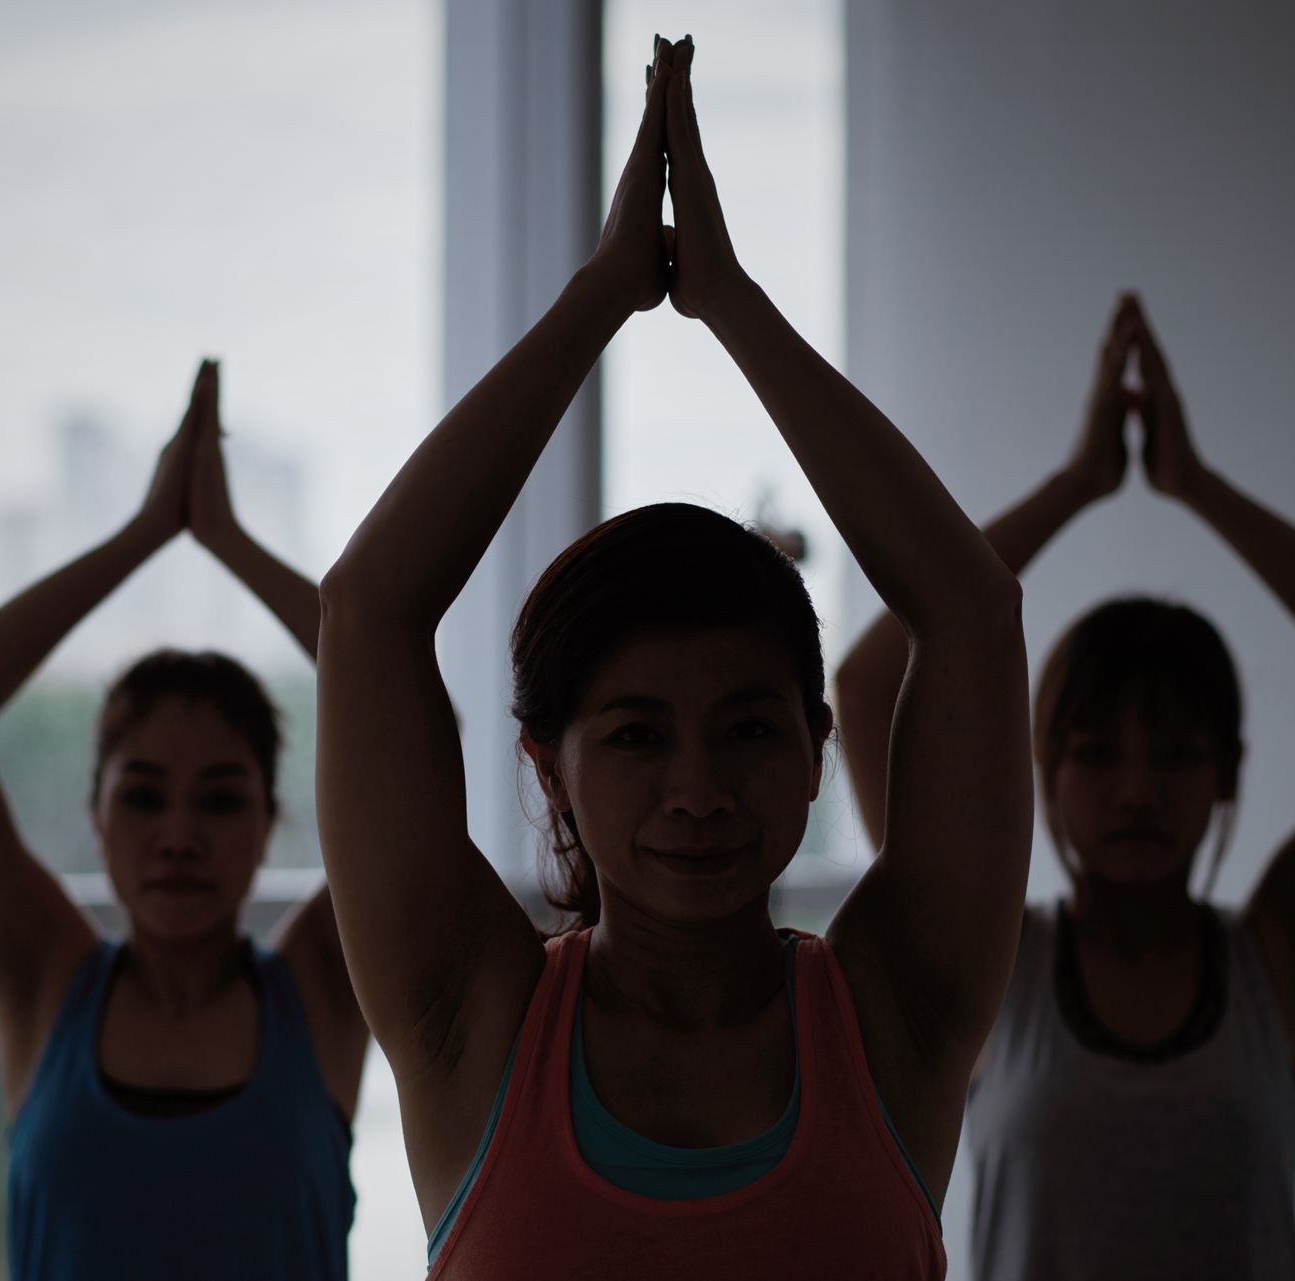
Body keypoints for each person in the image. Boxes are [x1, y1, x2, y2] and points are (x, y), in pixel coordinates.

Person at [315, 37, 1031, 1279]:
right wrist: (602, 295)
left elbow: (969, 609)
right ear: (548, 768)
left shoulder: (893, 1015)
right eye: (638, 735)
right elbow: (367, 612)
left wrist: (730, 303)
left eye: (750, 728)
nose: (698, 790)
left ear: (816, 751)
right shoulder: (468, 1020)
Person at [834, 294, 1295, 1280]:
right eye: (1097, 752)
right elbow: (867, 690)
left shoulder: (1280, 958)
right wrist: (1073, 486)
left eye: (1174, 753)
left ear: (1227, 774)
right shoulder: (994, 968)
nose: (1135, 790)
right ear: (1043, 764)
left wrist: (1196, 487)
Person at [0, 360, 367, 1281]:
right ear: (96, 815)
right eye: (144, 795)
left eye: (221, 797)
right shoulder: (41, 978)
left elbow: (408, 727)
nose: (179, 834)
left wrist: (225, 539)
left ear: (270, 820)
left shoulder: (323, 987)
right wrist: (146, 534)